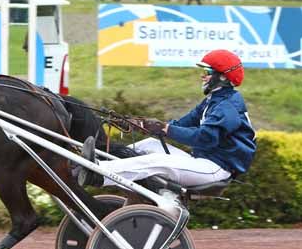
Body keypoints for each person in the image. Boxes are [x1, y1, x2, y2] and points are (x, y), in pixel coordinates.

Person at [77, 50, 256, 190]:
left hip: (216, 169)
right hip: (202, 161)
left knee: (154, 160)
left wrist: (165, 129)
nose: (203, 75)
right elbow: (179, 125)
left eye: (207, 71)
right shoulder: (214, 100)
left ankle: (99, 173)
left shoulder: (227, 107)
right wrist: (137, 124)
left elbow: (205, 138)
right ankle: (106, 161)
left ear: (224, 76)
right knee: (149, 144)